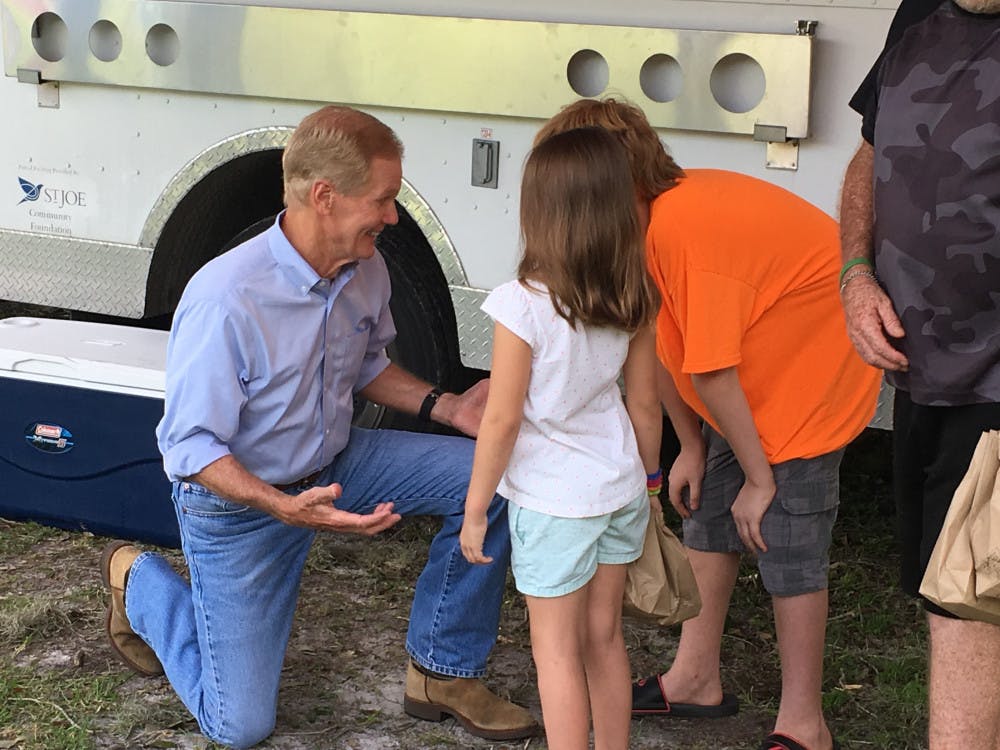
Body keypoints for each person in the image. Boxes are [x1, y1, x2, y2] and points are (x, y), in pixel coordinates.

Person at [98, 105, 539, 749]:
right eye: (383, 199)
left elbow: (366, 365)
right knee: (239, 726)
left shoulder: (367, 266)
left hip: (337, 466)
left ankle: (442, 671)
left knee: (495, 476)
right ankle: (138, 580)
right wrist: (284, 507)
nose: (393, 216)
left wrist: (447, 407)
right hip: (241, 505)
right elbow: (189, 448)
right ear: (325, 197)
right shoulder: (225, 299)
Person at [535, 98, 881, 750]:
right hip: (752, 376)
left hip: (807, 378)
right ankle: (695, 679)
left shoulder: (683, 226)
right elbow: (660, 339)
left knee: (789, 543)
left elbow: (714, 371)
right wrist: (688, 445)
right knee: (709, 517)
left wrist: (758, 476)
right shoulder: (638, 231)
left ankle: (805, 723)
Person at [459, 127, 663, 750]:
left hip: (554, 505)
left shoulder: (521, 306)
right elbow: (646, 404)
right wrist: (649, 484)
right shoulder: (635, 296)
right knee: (604, 638)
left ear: (539, 214)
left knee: (554, 656)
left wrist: (474, 512)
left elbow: (501, 419)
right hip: (619, 489)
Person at [839, 2, 1000, 746]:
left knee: (973, 599)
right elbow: (870, 153)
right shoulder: (918, 12)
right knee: (946, 593)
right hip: (923, 370)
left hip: (995, 385)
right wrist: (856, 274)